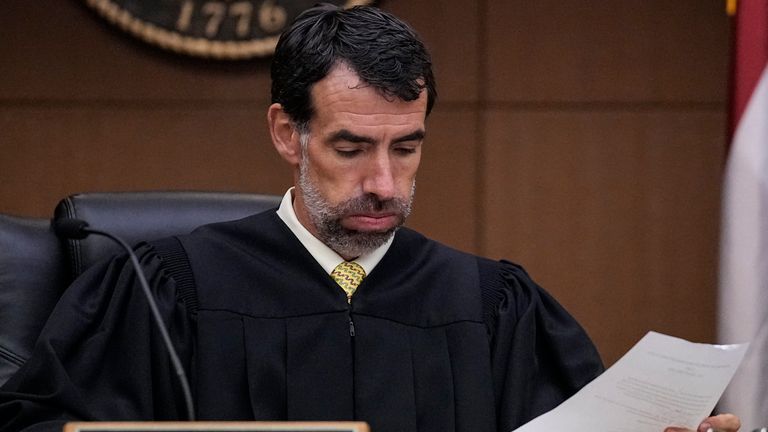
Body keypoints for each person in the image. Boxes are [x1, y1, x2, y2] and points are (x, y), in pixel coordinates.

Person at [0, 5, 741, 432]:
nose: (384, 183)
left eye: (407, 147)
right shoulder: (165, 291)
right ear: (287, 132)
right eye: (351, 147)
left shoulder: (490, 306)